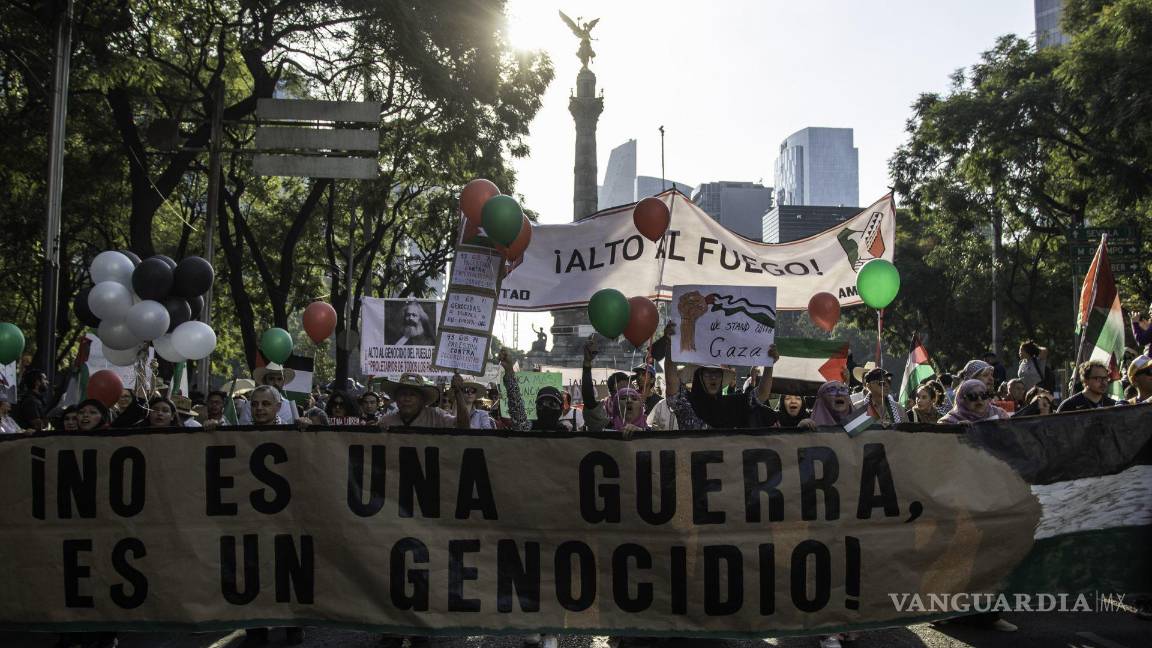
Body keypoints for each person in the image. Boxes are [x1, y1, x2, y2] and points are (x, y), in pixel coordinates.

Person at [661, 322, 780, 429]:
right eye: (708, 373)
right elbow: (672, 383)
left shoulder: (732, 404)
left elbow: (762, 394)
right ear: (699, 377)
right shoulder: (685, 402)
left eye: (717, 373)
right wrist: (669, 345)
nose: (713, 377)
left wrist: (769, 365)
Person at [377, 373, 467, 429]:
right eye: (403, 394)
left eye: (412, 395)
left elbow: (463, 426)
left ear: (422, 400)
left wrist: (458, 392)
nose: (407, 399)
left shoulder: (436, 416)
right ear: (396, 398)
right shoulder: (386, 421)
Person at [938, 379, 1010, 424]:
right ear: (962, 400)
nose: (979, 399)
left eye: (983, 395)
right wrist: (956, 431)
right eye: (972, 396)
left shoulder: (1000, 414)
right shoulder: (948, 422)